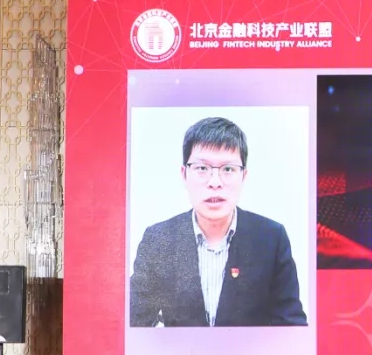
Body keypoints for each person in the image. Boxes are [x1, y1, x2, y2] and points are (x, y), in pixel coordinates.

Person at [129, 117, 307, 328]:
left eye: (228, 169)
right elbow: (133, 325)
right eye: (202, 168)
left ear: (244, 176)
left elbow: (292, 328)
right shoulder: (159, 240)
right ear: (184, 175)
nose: (215, 183)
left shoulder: (271, 239)